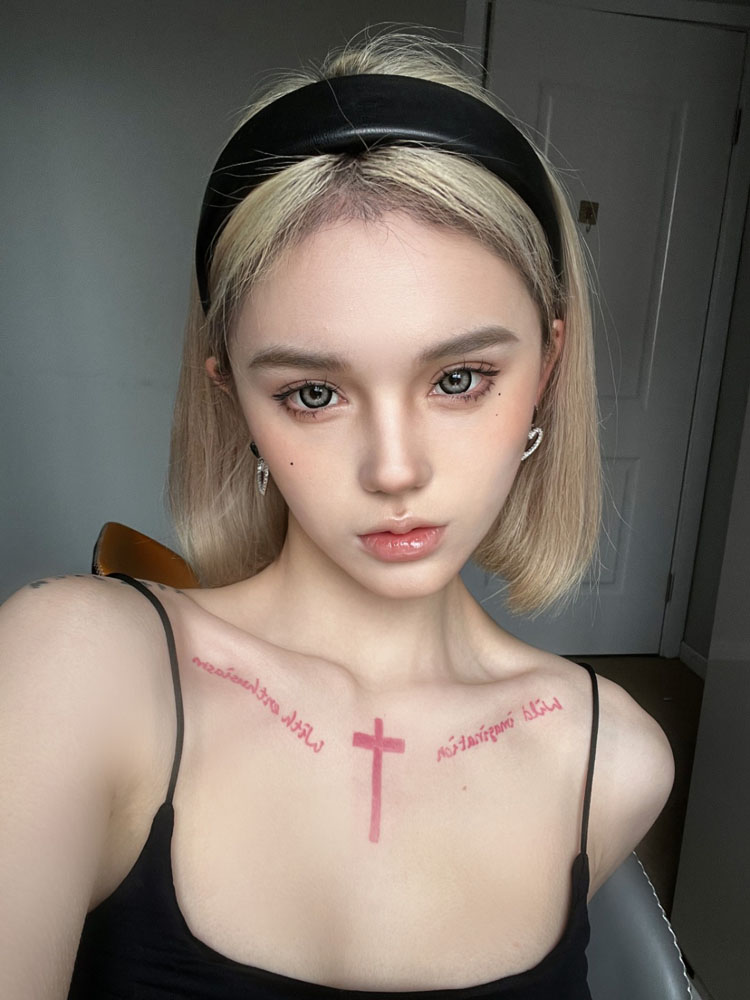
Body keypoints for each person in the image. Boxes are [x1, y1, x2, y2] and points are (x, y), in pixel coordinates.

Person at [0, 31, 674, 1000]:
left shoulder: (614, 758)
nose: (394, 469)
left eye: (459, 378)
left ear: (548, 369)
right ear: (234, 397)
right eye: (313, 394)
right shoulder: (76, 668)